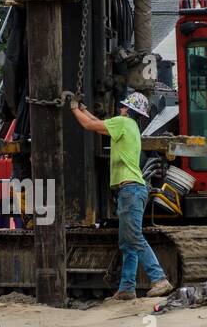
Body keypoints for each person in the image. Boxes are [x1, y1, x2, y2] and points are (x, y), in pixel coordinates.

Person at [71, 91, 173, 300]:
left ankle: (159, 278)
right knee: (127, 242)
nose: (120, 108)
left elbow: (90, 126)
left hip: (130, 190)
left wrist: (72, 108)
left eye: (123, 106)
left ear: (128, 110)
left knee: (134, 236)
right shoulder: (130, 126)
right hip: (132, 190)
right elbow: (97, 121)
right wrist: (83, 109)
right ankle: (127, 288)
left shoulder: (122, 123)